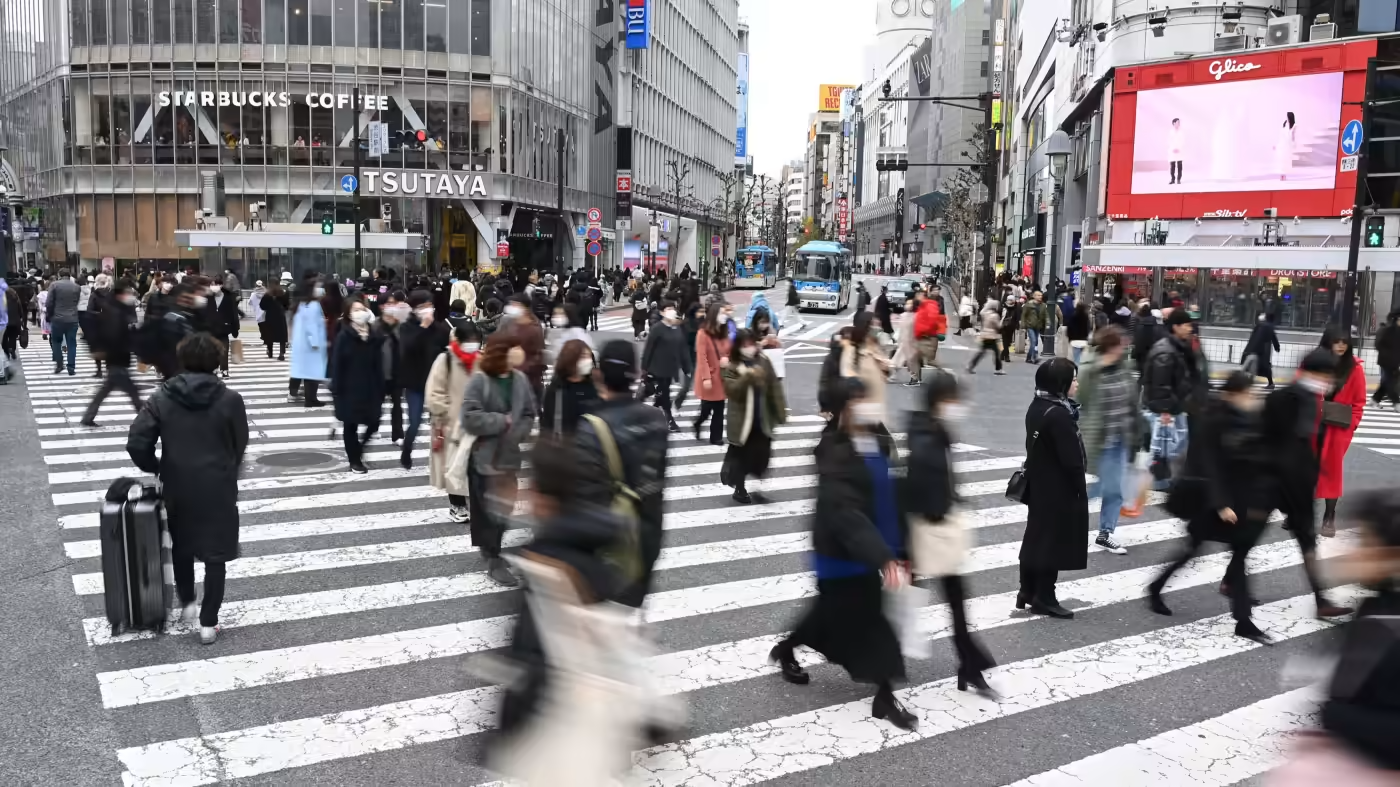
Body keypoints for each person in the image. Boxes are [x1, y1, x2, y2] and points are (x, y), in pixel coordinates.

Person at [770, 377, 917, 731]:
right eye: (855, 402)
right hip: (841, 550)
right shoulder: (833, 449)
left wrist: (902, 547)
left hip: (873, 548)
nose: (864, 406)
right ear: (840, 410)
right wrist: (883, 556)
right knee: (871, 623)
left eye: (866, 398)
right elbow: (845, 512)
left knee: (831, 614)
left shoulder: (878, 438)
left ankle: (788, 647)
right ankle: (885, 694)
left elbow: (891, 493)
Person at [126, 332, 249, 645]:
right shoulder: (231, 399)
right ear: (215, 361)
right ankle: (209, 622)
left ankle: (188, 603)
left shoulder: (162, 397)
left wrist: (157, 466)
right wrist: (226, 468)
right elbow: (240, 443)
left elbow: (137, 441)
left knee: (181, 545)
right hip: (218, 486)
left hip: (177, 484)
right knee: (215, 554)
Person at [1147, 371, 1274, 643]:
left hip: (1240, 501)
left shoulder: (1249, 420)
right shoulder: (1215, 419)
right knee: (1192, 551)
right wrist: (1220, 504)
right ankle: (1156, 587)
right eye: (1246, 394)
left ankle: (1243, 620)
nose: (1250, 398)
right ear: (1232, 394)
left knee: (1238, 557)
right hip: (1215, 503)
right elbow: (1209, 465)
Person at [903, 370, 996, 694]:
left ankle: (969, 665)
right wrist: (942, 507)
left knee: (954, 600)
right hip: (926, 534)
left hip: (933, 532)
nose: (959, 405)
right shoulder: (929, 437)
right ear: (941, 401)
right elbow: (918, 486)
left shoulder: (934, 429)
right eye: (954, 399)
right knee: (899, 604)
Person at [574, 340, 671, 608]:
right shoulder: (656, 420)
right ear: (637, 374)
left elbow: (583, 500)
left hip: (605, 552)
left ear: (598, 374)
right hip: (645, 542)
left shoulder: (590, 427)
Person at [1260, 348, 1353, 619]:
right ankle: (1230, 580)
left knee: (1307, 542)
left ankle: (1321, 600)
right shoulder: (1282, 398)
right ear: (1313, 372)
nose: (1329, 381)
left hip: (1298, 487)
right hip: (1274, 482)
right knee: (1248, 538)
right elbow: (1268, 440)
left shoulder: (1314, 399)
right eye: (1326, 375)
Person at [461, 334, 537, 587]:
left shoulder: (520, 380)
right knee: (487, 510)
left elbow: (528, 413)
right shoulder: (480, 381)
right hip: (484, 456)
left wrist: (516, 430)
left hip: (509, 456)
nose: (518, 352)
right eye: (513, 348)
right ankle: (494, 558)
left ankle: (490, 546)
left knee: (504, 507)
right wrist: (501, 421)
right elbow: (469, 417)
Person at [1018, 358, 1088, 619]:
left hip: (1039, 485)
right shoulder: (1059, 414)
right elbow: (1072, 462)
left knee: (1036, 538)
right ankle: (1045, 597)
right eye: (1073, 379)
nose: (1077, 383)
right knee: (1051, 544)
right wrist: (1080, 491)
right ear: (1061, 383)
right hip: (1057, 490)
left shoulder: (1038, 405)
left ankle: (1027, 590)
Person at [1076, 326, 1141, 555]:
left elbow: (1133, 402)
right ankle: (1067, 516)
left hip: (1121, 437)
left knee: (1114, 488)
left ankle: (1105, 533)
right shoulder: (1089, 371)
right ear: (1110, 346)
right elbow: (1081, 401)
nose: (1124, 347)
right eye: (1121, 344)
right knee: (1107, 486)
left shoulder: (1124, 367)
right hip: (1100, 439)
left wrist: (1139, 430)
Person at [721, 329, 787, 504]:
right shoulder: (732, 366)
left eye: (751, 344)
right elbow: (732, 391)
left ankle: (758, 488)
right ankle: (740, 489)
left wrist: (780, 412)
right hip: (742, 422)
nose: (749, 348)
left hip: (762, 418)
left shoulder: (764, 361)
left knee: (762, 457)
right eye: (745, 345)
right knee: (742, 456)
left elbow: (775, 387)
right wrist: (747, 377)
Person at [427, 321, 481, 523]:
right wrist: (445, 413)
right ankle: (457, 505)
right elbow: (434, 393)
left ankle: (474, 502)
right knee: (452, 466)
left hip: (475, 423)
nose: (472, 344)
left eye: (476, 340)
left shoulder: (481, 360)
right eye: (469, 340)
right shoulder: (446, 360)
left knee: (474, 465)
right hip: (450, 424)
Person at [1317, 327, 1367, 539]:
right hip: (1313, 423)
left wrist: (1352, 424)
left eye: (1344, 342)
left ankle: (1329, 516)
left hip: (1338, 428)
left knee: (1331, 471)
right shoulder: (1317, 363)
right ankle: (1295, 512)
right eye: (1336, 341)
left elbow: (1359, 401)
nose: (1340, 345)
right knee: (1304, 468)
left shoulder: (1354, 368)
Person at [330, 298, 387, 474]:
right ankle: (354, 460)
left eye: (362, 309)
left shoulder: (374, 335)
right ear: (348, 314)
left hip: (371, 387)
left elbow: (380, 363)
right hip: (349, 389)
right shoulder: (344, 335)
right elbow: (337, 364)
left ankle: (359, 449)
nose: (360, 312)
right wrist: (336, 390)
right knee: (351, 425)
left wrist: (382, 387)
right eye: (355, 310)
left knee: (374, 422)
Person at [398, 290, 451, 468]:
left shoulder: (440, 328)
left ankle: (442, 457)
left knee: (440, 421)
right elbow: (408, 347)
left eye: (429, 306)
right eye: (423, 307)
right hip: (415, 383)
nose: (428, 310)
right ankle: (407, 449)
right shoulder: (407, 328)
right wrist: (423, 328)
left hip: (437, 383)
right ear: (414, 309)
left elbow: (448, 348)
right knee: (415, 421)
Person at [80, 279, 143, 426]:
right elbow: (114, 336)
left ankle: (88, 417)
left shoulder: (115, 309)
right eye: (128, 293)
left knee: (106, 390)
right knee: (132, 391)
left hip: (115, 358)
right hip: (117, 357)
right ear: (121, 295)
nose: (131, 296)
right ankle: (148, 417)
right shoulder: (115, 312)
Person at [641, 300, 693, 432]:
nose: (672, 311)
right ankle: (670, 421)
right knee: (662, 395)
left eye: (673, 308)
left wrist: (687, 368)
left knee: (658, 394)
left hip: (669, 370)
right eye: (668, 308)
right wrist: (644, 368)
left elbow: (682, 350)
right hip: (656, 368)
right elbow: (648, 350)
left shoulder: (677, 329)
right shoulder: (657, 328)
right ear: (662, 312)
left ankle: (645, 412)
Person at [541, 339, 598, 437]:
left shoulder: (595, 386)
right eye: (583, 357)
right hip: (565, 445)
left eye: (589, 356)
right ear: (571, 359)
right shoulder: (557, 389)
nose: (588, 361)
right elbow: (548, 422)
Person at [692, 302, 731, 445]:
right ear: (714, 315)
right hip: (708, 376)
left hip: (721, 377)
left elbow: (730, 351)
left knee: (719, 409)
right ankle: (698, 423)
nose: (724, 316)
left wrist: (728, 359)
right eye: (722, 313)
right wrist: (706, 377)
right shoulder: (703, 333)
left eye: (725, 313)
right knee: (706, 409)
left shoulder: (724, 332)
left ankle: (716, 437)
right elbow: (702, 357)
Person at [288, 279, 329, 408]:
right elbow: (312, 326)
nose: (320, 289)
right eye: (318, 286)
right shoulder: (313, 305)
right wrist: (317, 343)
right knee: (312, 373)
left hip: (302, 343)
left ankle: (309, 398)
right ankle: (311, 399)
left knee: (307, 372)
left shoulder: (301, 304)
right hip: (311, 344)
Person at [204, 276, 241, 378]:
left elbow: (233, 314)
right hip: (210, 328)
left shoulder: (228, 298)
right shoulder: (208, 298)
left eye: (215, 284)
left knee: (224, 350)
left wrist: (235, 329)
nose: (213, 287)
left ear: (220, 285)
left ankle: (224, 369)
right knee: (212, 351)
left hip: (224, 329)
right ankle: (214, 368)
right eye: (211, 285)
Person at [45, 268, 81, 375]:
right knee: (72, 343)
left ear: (59, 275)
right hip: (72, 318)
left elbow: (49, 303)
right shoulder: (77, 287)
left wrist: (49, 315)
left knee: (56, 342)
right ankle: (71, 367)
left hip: (57, 318)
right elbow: (76, 302)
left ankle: (59, 365)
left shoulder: (54, 285)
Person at [966, 299, 1004, 375]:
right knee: (996, 352)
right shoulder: (995, 316)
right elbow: (998, 326)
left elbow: (981, 312)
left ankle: (971, 366)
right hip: (992, 336)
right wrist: (1003, 318)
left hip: (985, 334)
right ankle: (998, 369)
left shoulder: (985, 313)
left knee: (981, 352)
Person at [1243, 312, 1281, 389]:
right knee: (1265, 367)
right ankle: (1270, 383)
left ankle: (1247, 383)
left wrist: (1249, 349)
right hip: (1264, 350)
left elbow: (1253, 337)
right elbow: (1274, 338)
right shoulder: (1269, 327)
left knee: (1250, 366)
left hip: (1254, 349)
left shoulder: (1260, 325)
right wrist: (1277, 347)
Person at [258, 282, 289, 360]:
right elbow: (287, 305)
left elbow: (262, 306)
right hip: (280, 315)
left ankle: (270, 351)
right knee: (282, 335)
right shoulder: (282, 294)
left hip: (270, 315)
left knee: (270, 334)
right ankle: (281, 353)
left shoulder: (267, 295)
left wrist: (268, 307)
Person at [1376, 310, 1400, 411]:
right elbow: (1379, 345)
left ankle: (1375, 400)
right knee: (1389, 382)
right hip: (1387, 361)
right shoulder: (1388, 330)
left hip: (1393, 361)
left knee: (1387, 381)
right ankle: (1396, 402)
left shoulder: (1396, 331)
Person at [1021, 290, 1049, 363]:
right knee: (1033, 341)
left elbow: (1046, 315)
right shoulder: (1028, 305)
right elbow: (1023, 316)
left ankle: (1029, 357)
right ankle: (1035, 357)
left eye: (1041, 295)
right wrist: (1023, 326)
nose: (1040, 297)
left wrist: (1048, 323)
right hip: (1030, 326)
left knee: (1035, 342)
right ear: (1034, 296)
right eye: (1038, 295)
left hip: (1038, 326)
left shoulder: (1043, 305)